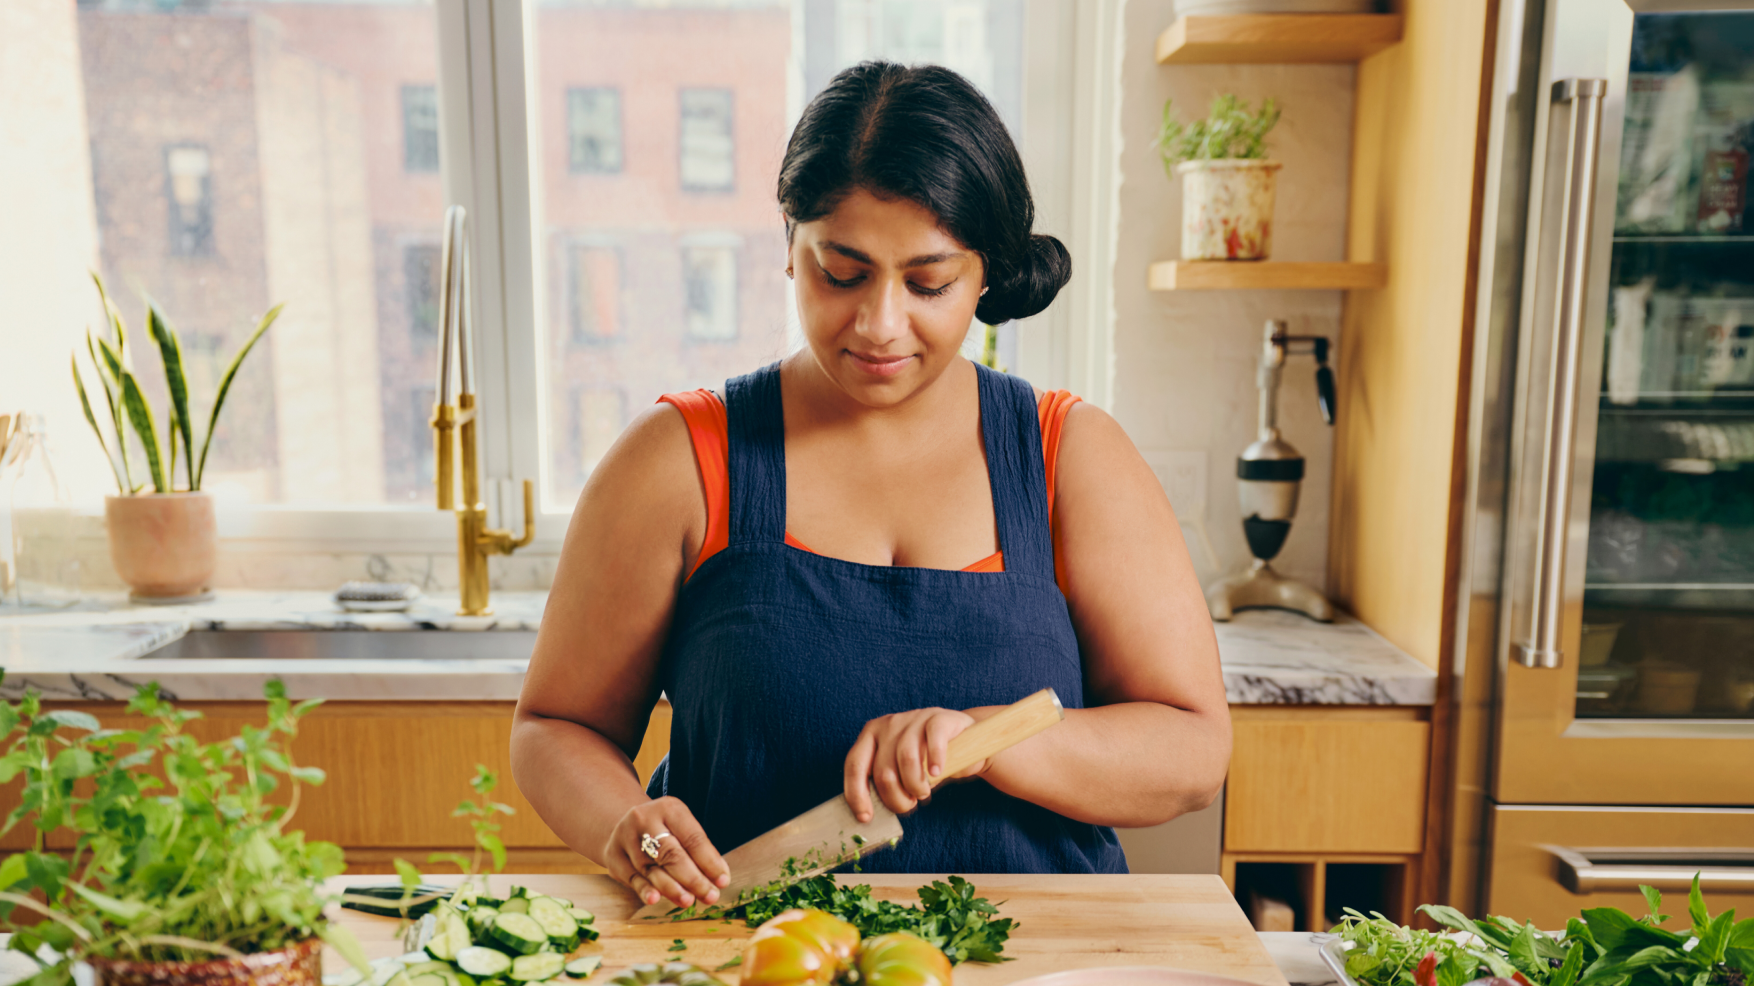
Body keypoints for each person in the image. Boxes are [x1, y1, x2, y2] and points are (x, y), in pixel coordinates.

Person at [511, 61, 1230, 910]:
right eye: (841, 273)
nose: (879, 325)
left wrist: (989, 743)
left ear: (986, 273)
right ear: (790, 247)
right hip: (755, 978)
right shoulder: (677, 460)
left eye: (928, 282)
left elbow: (1191, 751)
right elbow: (556, 727)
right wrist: (624, 825)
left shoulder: (1070, 456)